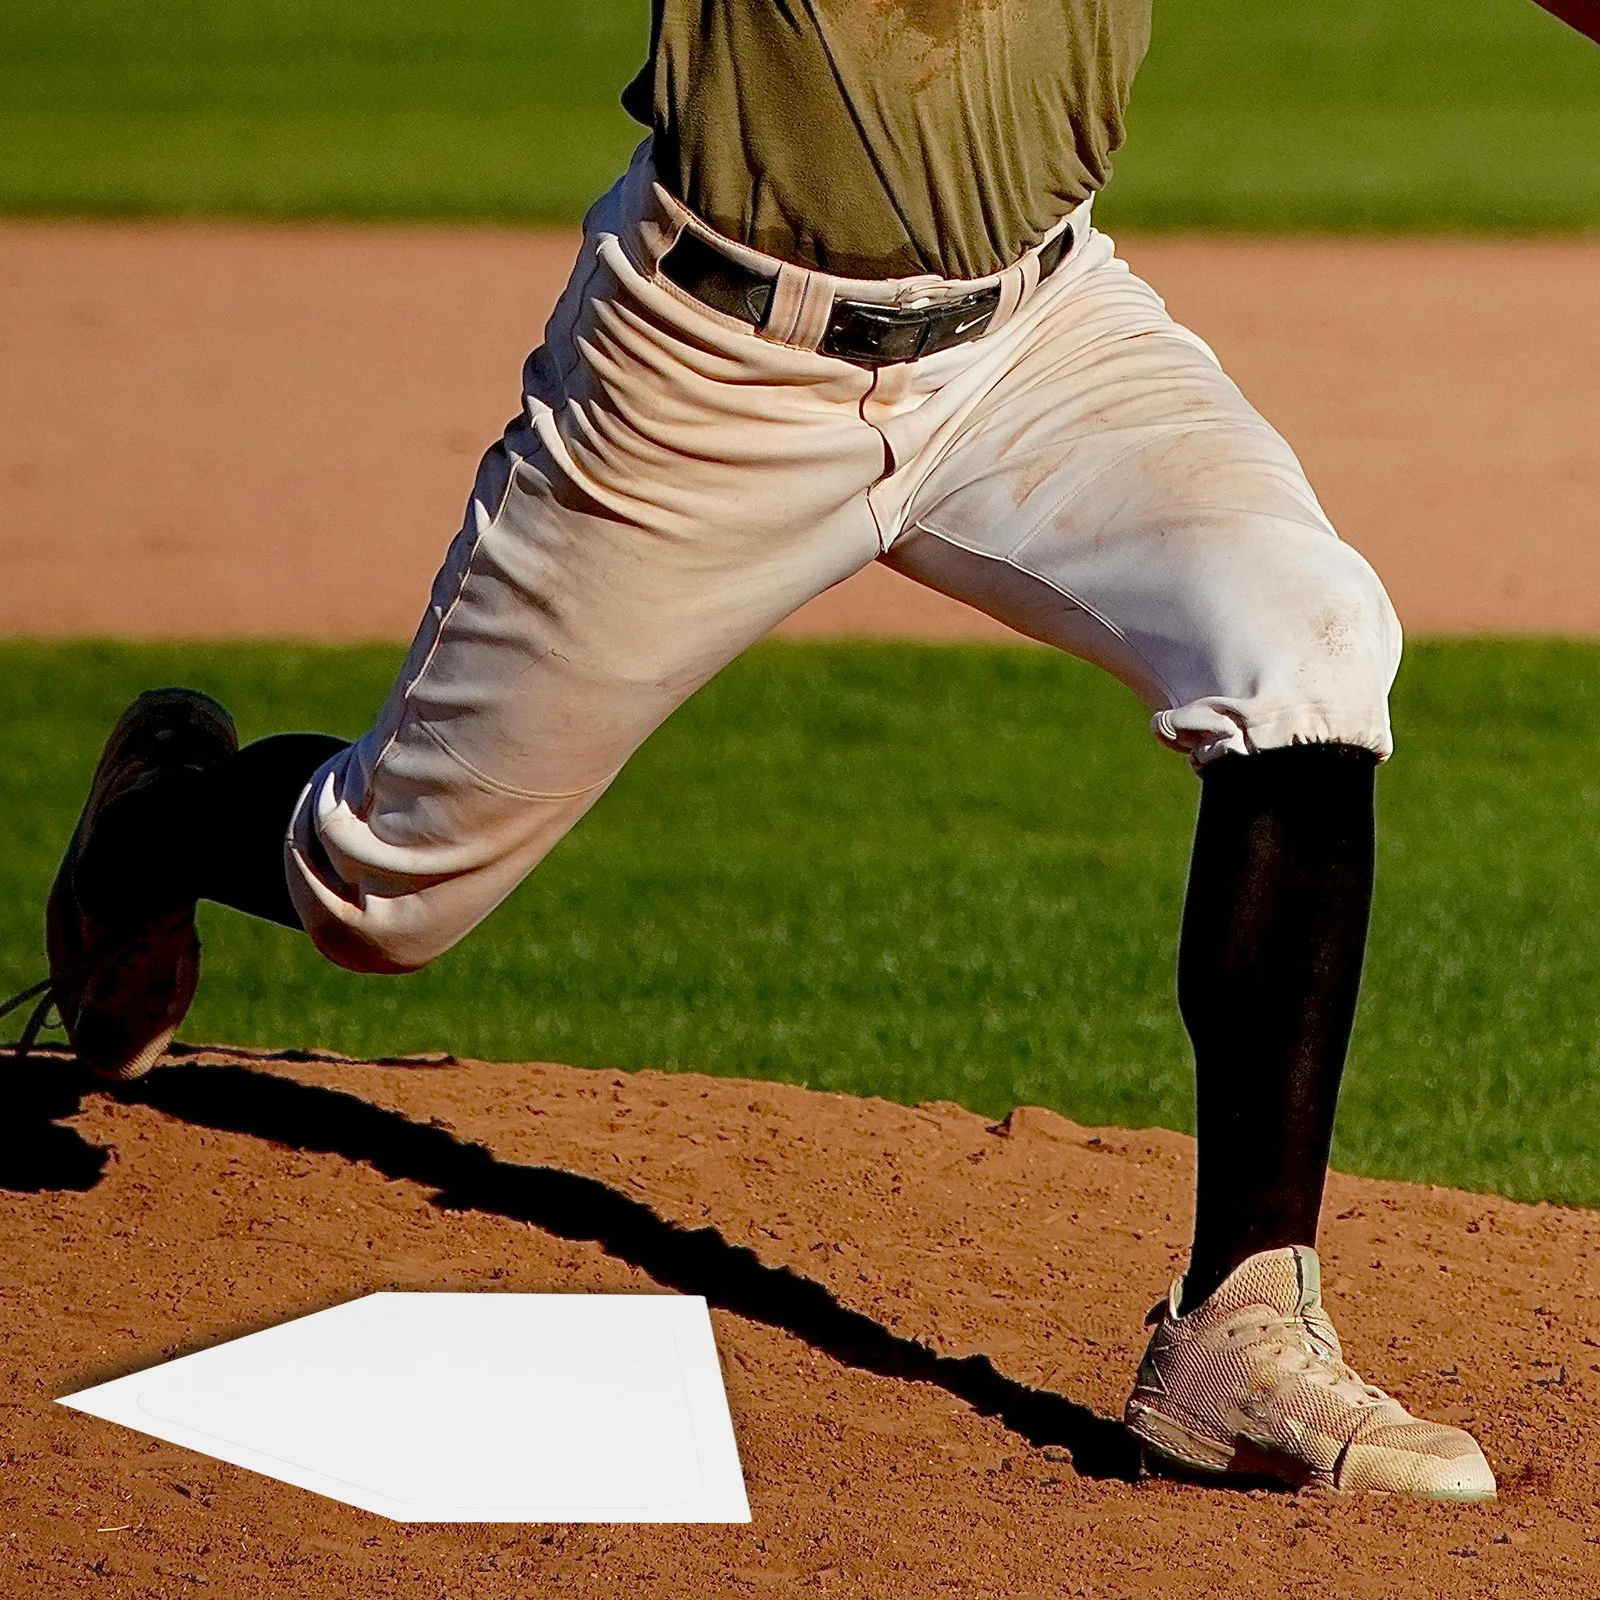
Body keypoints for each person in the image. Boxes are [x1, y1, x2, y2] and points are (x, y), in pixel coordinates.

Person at [12, 0, 1598, 1501]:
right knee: (379, 894)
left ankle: (1241, 1331)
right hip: (706, 365)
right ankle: (158, 818)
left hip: (1035, 338)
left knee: (1308, 637)